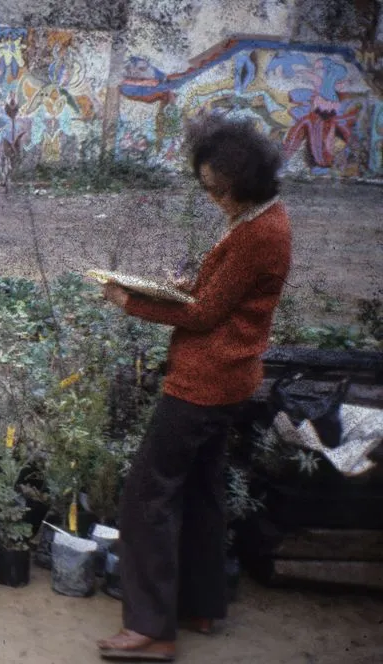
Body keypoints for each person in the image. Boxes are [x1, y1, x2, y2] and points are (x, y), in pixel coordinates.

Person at [97, 115, 292, 661]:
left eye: (219, 190)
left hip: (203, 382)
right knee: (202, 493)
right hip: (229, 378)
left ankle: (151, 630)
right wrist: (187, 285)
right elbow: (226, 296)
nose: (213, 198)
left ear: (246, 182)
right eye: (207, 187)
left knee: (146, 497)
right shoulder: (264, 218)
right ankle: (200, 604)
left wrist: (130, 301)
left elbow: (205, 315)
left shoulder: (256, 232)